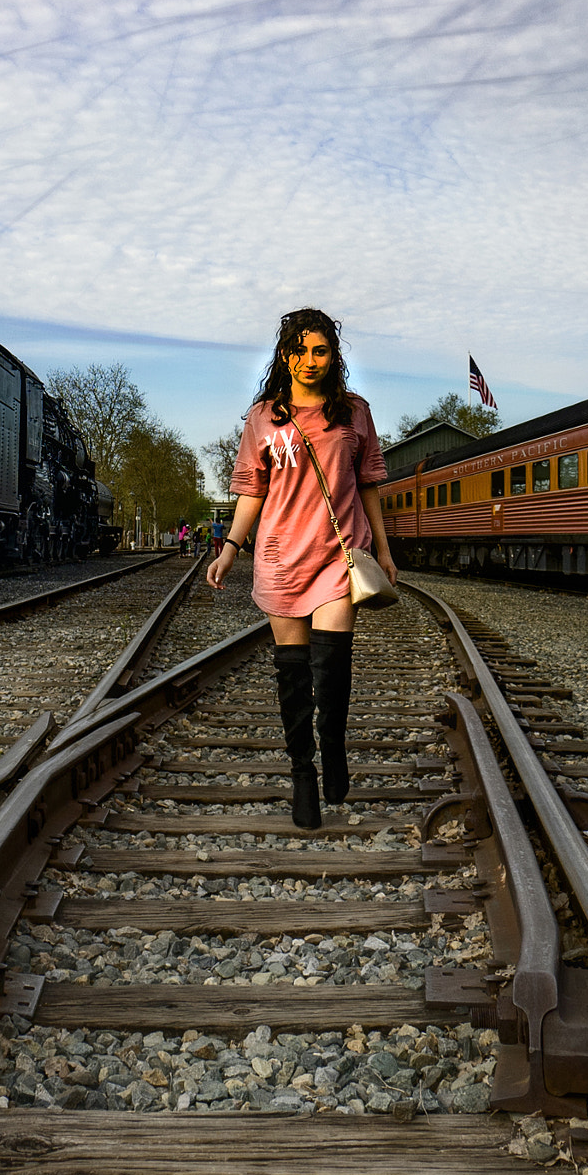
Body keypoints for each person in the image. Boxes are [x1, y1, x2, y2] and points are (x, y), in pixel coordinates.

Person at [209, 309, 394, 830]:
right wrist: (229, 548)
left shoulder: (354, 413)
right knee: (292, 680)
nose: (308, 361)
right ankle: (303, 777)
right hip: (279, 558)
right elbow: (251, 492)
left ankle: (332, 745)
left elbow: (370, 485)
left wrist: (383, 550)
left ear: (333, 355)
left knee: (331, 671)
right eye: (298, 350)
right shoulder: (264, 417)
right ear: (284, 355)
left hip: (338, 555)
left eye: (319, 351)